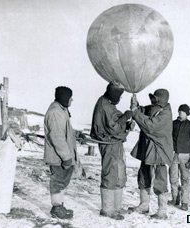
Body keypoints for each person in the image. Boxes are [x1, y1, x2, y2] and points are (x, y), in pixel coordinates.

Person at [90, 81, 134, 220]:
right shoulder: (104, 105)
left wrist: (126, 124)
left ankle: (116, 207)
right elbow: (113, 126)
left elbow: (115, 121)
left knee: (119, 173)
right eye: (119, 96)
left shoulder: (107, 103)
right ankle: (107, 209)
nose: (119, 99)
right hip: (109, 144)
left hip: (115, 143)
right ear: (114, 95)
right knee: (110, 173)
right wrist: (127, 116)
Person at [129, 89, 174, 219]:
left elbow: (150, 126)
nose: (152, 100)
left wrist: (135, 112)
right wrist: (136, 105)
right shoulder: (155, 109)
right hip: (148, 150)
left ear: (160, 100)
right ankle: (144, 205)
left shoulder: (165, 114)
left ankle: (162, 211)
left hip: (159, 152)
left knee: (160, 180)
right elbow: (143, 111)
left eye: (154, 98)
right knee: (143, 176)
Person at [44, 86, 85, 219]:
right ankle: (56, 208)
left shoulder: (62, 110)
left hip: (63, 155)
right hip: (58, 156)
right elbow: (57, 137)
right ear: (64, 98)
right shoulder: (55, 112)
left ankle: (59, 205)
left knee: (62, 181)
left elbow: (66, 130)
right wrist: (66, 157)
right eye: (69, 98)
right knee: (58, 181)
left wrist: (77, 134)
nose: (71, 100)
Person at [168, 104, 190, 211]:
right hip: (173, 154)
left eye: (183, 111)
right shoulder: (173, 124)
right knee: (173, 178)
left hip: (185, 155)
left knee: (185, 179)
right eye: (180, 111)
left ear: (187, 113)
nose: (181, 113)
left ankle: (185, 202)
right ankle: (175, 198)